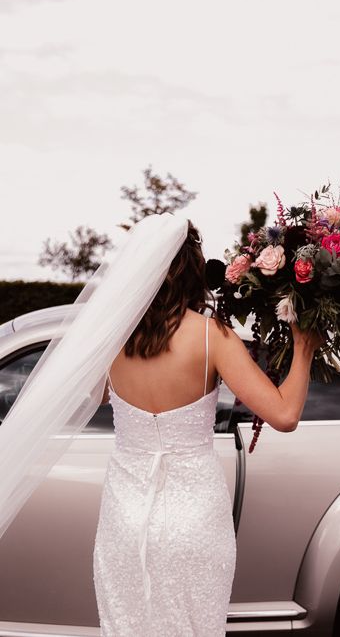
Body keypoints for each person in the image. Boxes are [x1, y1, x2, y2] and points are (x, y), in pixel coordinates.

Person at [92, 217, 324, 635]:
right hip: (194, 517)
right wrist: (303, 348)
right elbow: (285, 415)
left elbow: (95, 397)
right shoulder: (210, 337)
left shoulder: (109, 340)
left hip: (124, 517)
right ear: (191, 271)